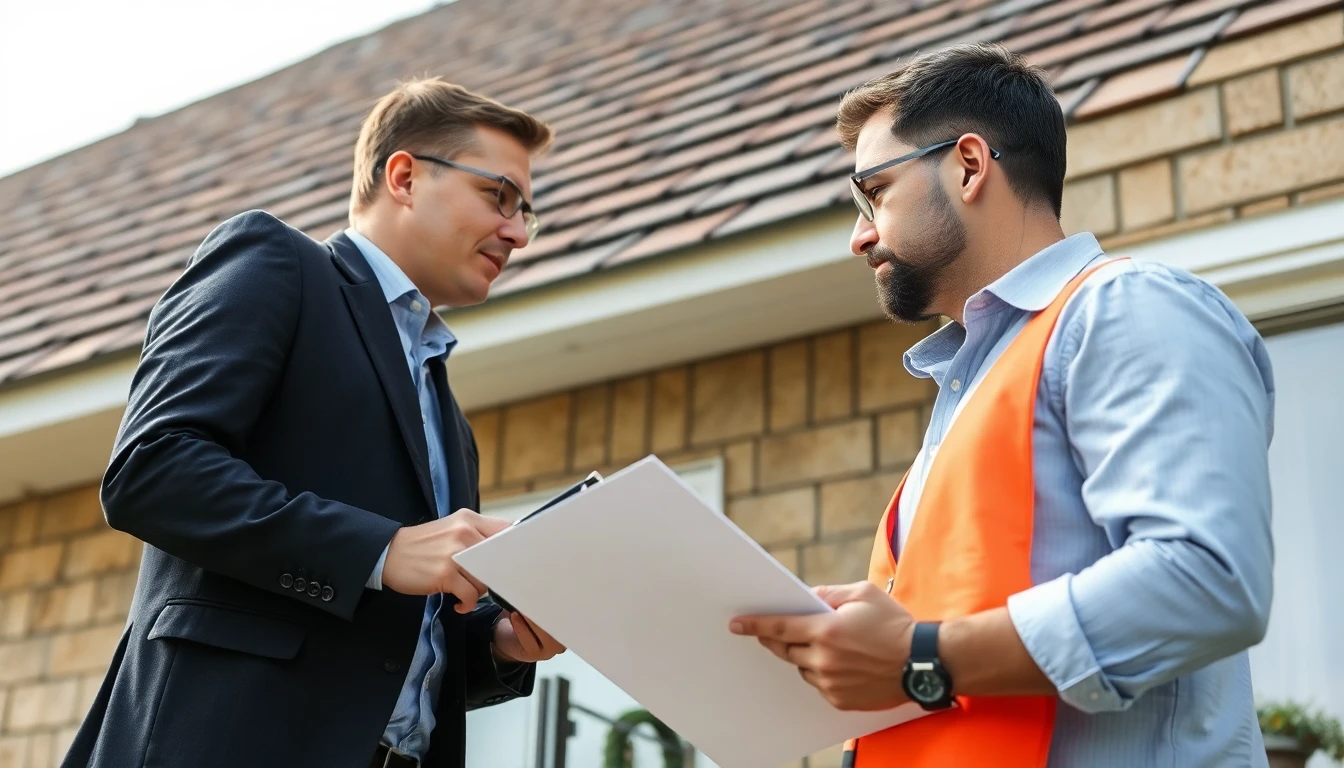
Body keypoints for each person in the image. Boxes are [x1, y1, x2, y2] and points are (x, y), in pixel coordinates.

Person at [730, 43, 1276, 767]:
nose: (859, 235)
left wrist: (917, 654)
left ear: (968, 164)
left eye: (874, 192)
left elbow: (1208, 578)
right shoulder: (973, 394)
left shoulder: (1125, 309)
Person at [64, 78, 565, 768]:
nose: (516, 231)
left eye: (525, 213)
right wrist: (383, 550)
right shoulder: (277, 263)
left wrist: (498, 643)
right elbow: (153, 468)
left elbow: (390, 656)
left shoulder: (450, 420)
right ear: (405, 176)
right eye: (500, 196)